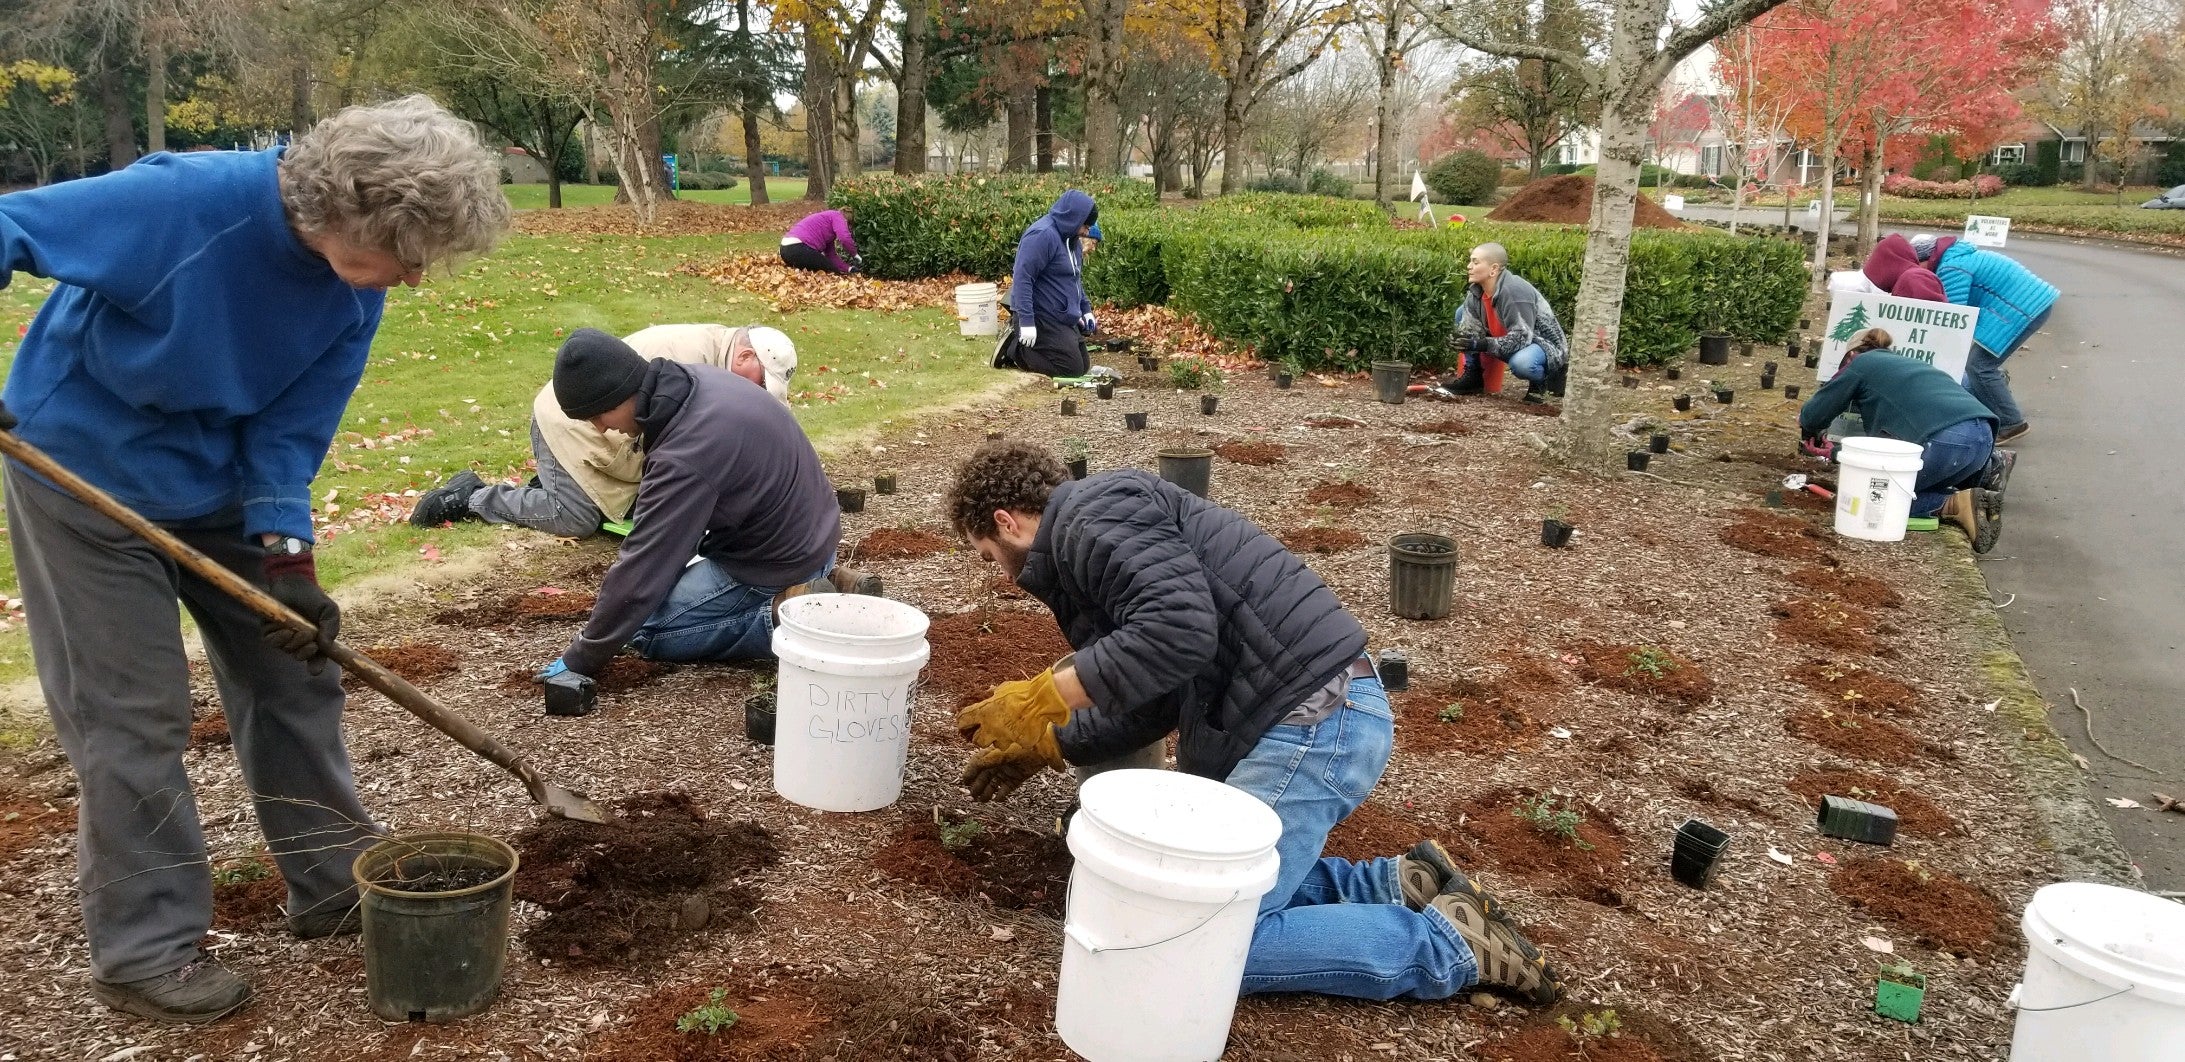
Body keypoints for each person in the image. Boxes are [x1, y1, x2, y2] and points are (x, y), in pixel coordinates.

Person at [0, 95, 508, 1023]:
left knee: (294, 678)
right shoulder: (181, 204)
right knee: (133, 720)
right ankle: (144, 949)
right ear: (348, 215)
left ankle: (329, 883)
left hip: (221, 485)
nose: (416, 277)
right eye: (408, 253)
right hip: (83, 473)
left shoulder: (354, 292)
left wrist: (287, 559)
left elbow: (291, 425)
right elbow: (9, 224)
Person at [941, 440, 1563, 1006]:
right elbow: (1156, 693)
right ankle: (1396, 884)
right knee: (1200, 890)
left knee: (1200, 944)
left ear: (1006, 522)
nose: (1004, 574)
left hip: (1315, 723)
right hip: (1314, 714)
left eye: (990, 556)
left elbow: (1178, 632)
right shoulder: (1097, 538)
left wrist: (1047, 695)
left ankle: (1449, 946)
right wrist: (1052, 741)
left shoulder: (1089, 519)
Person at [533, 329, 873, 681]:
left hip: (772, 564)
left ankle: (784, 613)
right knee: (645, 603)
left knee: (643, 630)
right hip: (816, 536)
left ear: (620, 395)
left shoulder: (682, 456)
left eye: (598, 416)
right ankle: (826, 580)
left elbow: (646, 563)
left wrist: (583, 657)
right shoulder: (701, 379)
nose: (602, 429)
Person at [408, 323, 798, 537]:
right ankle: (474, 497)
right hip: (572, 419)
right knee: (574, 518)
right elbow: (681, 448)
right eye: (762, 383)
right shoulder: (691, 356)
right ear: (745, 356)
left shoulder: (719, 358)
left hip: (618, 431)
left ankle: (553, 484)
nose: (760, 394)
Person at [1798, 328, 2013, 552]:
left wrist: (1820, 439)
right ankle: (1990, 470)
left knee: (1871, 500)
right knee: (1908, 480)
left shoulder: (1861, 364)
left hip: (1945, 442)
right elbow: (1891, 451)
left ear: (1851, 355)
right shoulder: (1908, 367)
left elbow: (1814, 416)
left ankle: (1951, 504)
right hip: (1984, 437)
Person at [1912, 232, 2056, 442]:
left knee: (1979, 366)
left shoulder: (1951, 268)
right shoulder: (1957, 257)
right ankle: (1999, 407)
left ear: (1926, 259)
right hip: (2026, 304)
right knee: (1981, 364)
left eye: (1917, 264)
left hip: (2021, 308)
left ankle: (2011, 423)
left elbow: (1954, 317)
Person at [1437, 242, 1569, 401]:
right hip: (1511, 339)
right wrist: (1461, 340)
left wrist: (1480, 344)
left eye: (1475, 262)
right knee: (1462, 312)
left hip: (1543, 345)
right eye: (1470, 261)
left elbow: (1522, 338)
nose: (1469, 266)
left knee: (1522, 364)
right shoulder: (1476, 291)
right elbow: (1471, 330)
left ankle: (1543, 381)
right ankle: (1473, 376)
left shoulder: (1514, 292)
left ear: (1493, 269)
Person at [1006, 190, 1099, 378]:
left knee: (1082, 366)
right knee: (1070, 369)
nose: (1086, 231)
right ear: (1073, 218)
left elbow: (1074, 279)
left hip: (1060, 315)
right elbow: (1023, 279)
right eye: (1085, 225)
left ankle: (1039, 347)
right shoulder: (1042, 236)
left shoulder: (1072, 242)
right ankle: (1015, 350)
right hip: (1039, 314)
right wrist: (1026, 322)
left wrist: (1085, 309)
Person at [781, 208, 861, 273]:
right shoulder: (837, 216)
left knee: (828, 267)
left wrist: (849, 269)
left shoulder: (828, 230)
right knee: (831, 271)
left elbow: (831, 256)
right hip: (797, 248)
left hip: (785, 250)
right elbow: (844, 237)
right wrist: (855, 254)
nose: (849, 229)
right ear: (847, 221)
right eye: (849, 226)